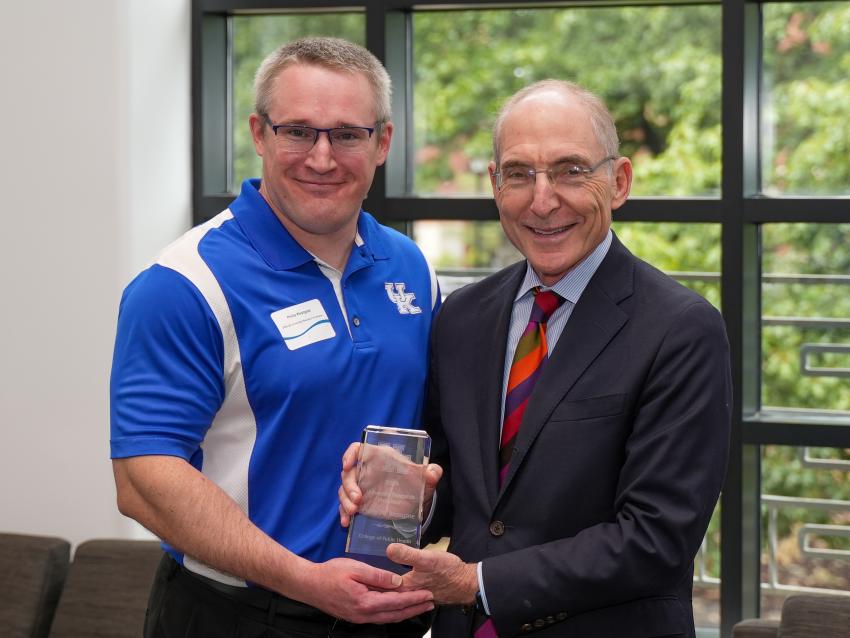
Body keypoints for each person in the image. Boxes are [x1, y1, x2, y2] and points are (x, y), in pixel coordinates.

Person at [340, 79, 731, 637]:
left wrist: (478, 583)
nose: (542, 200)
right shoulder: (461, 317)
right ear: (495, 184)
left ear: (618, 182)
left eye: (571, 171)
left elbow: (656, 538)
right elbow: (457, 489)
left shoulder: (681, 329)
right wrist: (405, 495)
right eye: (519, 174)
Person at [110, 37, 440, 638]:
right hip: (238, 617)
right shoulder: (185, 283)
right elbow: (142, 480)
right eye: (297, 132)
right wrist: (304, 580)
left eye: (347, 134)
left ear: (382, 143)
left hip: (384, 614)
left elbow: (435, 427)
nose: (321, 158)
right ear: (260, 134)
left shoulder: (411, 267)